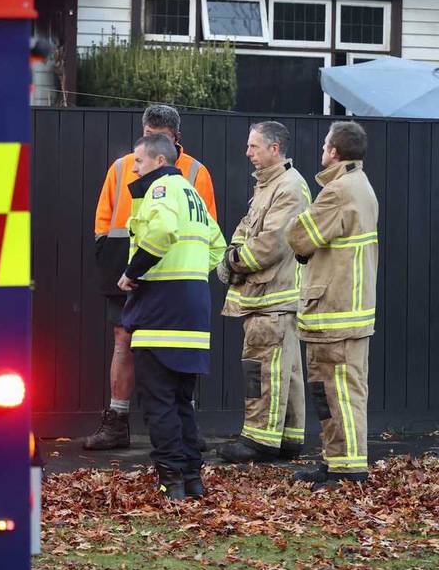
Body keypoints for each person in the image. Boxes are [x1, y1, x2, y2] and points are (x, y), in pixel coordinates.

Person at [87, 105, 216, 451]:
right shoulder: (121, 167)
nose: (149, 143)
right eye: (147, 135)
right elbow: (104, 218)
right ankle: (117, 420)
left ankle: (182, 424)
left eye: (159, 137)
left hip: (171, 275)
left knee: (175, 347)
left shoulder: (195, 172)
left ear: (175, 140)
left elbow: (205, 229)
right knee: (124, 341)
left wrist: (187, 271)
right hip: (125, 266)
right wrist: (114, 259)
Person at [119, 133, 226, 498]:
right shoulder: (193, 195)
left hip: (160, 309)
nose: (134, 169)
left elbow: (162, 231)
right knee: (181, 401)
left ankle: (172, 483)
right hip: (193, 308)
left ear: (159, 162)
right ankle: (192, 480)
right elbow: (219, 247)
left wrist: (133, 272)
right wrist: (193, 272)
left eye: (139, 162)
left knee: (158, 401)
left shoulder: (162, 190)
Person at [285, 121, 379, 487]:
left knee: (338, 391)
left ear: (334, 152)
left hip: (335, 310)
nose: (322, 151)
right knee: (338, 390)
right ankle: (337, 461)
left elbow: (299, 237)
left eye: (325, 145)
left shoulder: (338, 191)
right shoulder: (362, 186)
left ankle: (348, 469)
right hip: (348, 310)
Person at [214, 121, 311, 463]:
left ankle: (258, 440)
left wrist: (232, 261)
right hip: (268, 297)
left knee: (262, 369)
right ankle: (287, 437)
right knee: (286, 371)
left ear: (274, 149)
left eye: (254, 146)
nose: (247, 153)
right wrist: (234, 251)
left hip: (272, 297)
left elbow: (270, 245)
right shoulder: (268, 186)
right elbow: (245, 228)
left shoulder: (289, 188)